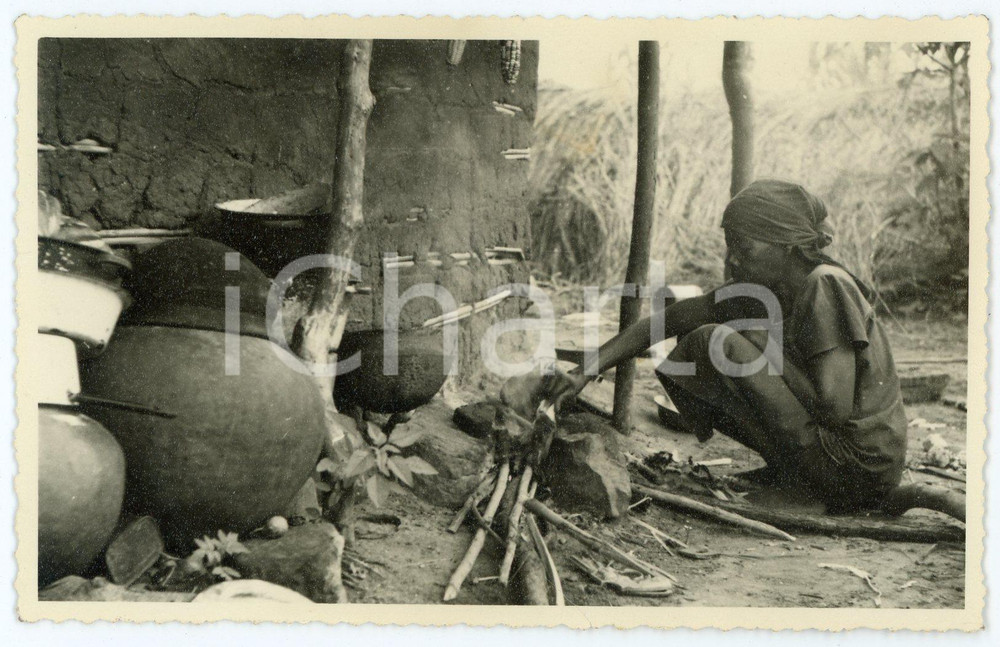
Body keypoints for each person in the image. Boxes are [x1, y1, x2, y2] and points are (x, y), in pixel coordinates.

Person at [504, 179, 907, 512]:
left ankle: (809, 489)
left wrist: (760, 345)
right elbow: (669, 320)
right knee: (698, 345)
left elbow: (834, 409)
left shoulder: (824, 284)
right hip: (834, 457)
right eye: (730, 247)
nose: (733, 261)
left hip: (857, 465)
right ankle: (794, 474)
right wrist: (584, 371)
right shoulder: (764, 288)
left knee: (720, 344)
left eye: (745, 249)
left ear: (785, 244)